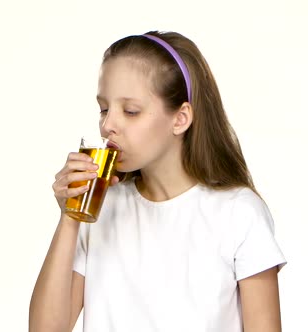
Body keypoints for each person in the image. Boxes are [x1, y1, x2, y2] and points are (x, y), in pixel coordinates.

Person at [29, 30, 286, 332]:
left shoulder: (238, 213)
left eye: (131, 111)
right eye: (104, 108)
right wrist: (70, 218)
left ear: (180, 118)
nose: (108, 125)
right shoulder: (100, 208)